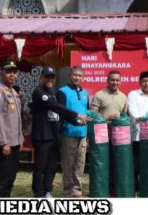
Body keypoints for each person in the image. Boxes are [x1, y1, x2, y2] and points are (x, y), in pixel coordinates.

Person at [30, 66, 90, 198]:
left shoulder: (51, 92)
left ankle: (47, 191)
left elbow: (59, 112)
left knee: (51, 166)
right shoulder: (39, 92)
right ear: (41, 77)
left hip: (53, 134)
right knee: (40, 166)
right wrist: (77, 116)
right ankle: (38, 193)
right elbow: (57, 107)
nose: (50, 79)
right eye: (47, 77)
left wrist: (77, 121)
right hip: (42, 136)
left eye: (52, 77)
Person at [0, 62, 24, 197]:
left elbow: (16, 118)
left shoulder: (13, 91)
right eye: (8, 72)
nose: (12, 74)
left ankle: (4, 206)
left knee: (10, 178)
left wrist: (20, 139)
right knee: (0, 180)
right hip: (3, 145)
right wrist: (4, 143)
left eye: (14, 72)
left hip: (14, 143)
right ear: (1, 74)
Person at [56, 66, 90, 198]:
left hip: (82, 133)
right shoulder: (62, 92)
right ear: (70, 76)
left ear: (83, 77)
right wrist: (75, 121)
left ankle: (77, 190)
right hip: (68, 132)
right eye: (75, 75)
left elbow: (86, 112)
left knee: (80, 163)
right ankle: (68, 191)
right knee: (68, 163)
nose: (77, 77)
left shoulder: (85, 93)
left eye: (80, 75)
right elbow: (62, 112)